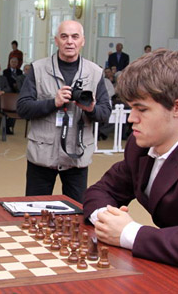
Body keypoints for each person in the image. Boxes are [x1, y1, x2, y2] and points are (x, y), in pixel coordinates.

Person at [83, 49, 178, 283]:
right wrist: (107, 219)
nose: (131, 118)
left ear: (177, 108)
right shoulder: (140, 145)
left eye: (141, 109)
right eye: (131, 108)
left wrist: (128, 233)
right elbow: (100, 191)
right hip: (173, 263)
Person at [17, 20, 111, 203]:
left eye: (75, 37)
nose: (70, 41)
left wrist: (91, 109)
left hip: (77, 155)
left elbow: (105, 113)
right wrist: (54, 102)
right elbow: (22, 108)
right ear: (56, 40)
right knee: (34, 212)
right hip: (42, 154)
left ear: (82, 41)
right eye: (64, 36)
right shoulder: (38, 68)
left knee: (76, 215)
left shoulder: (95, 72)